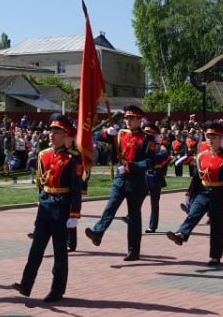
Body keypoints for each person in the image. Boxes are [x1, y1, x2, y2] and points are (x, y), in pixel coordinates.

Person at [13, 114, 83, 302]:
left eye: (57, 132)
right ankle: (26, 284)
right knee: (36, 247)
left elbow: (76, 188)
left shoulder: (73, 158)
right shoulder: (44, 154)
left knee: (60, 251)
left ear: (66, 135)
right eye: (51, 131)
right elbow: (40, 181)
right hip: (45, 206)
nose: (51, 135)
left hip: (62, 206)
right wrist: (41, 198)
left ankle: (57, 289)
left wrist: (74, 213)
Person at [85, 105, 151, 261]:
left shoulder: (146, 139)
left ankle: (133, 251)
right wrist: (107, 132)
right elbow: (97, 136)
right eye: (127, 118)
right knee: (110, 207)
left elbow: (149, 162)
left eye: (132, 118)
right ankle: (98, 233)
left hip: (136, 181)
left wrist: (132, 166)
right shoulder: (120, 134)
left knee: (134, 217)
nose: (128, 121)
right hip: (120, 179)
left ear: (140, 120)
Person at [166, 121, 223, 264]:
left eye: (213, 136)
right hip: (203, 191)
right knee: (193, 214)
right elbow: (197, 177)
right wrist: (189, 193)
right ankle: (181, 234)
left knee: (217, 225)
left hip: (219, 192)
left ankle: (215, 256)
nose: (209, 139)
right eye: (208, 136)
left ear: (221, 138)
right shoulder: (201, 156)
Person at [142, 120, 171, 233]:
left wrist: (153, 157)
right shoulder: (143, 145)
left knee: (154, 203)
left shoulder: (160, 146)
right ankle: (130, 216)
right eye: (146, 132)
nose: (147, 135)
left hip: (156, 176)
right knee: (137, 199)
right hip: (145, 175)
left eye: (150, 133)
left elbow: (163, 155)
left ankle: (152, 226)